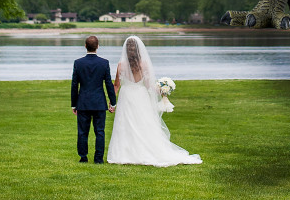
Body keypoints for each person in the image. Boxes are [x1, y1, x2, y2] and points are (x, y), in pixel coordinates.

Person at [107, 35, 202, 167]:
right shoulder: (144, 64)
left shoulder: (121, 65)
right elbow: (149, 86)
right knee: (142, 123)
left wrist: (112, 103)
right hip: (140, 95)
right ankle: (143, 151)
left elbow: (116, 85)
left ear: (126, 50)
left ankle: (125, 153)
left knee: (125, 123)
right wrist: (162, 89)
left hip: (126, 95)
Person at [71, 35, 116, 164]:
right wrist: (113, 102)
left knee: (82, 132)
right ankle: (98, 159)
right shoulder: (104, 63)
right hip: (99, 102)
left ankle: (83, 157)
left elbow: (75, 84)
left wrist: (74, 104)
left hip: (83, 102)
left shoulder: (78, 63)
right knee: (100, 132)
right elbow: (108, 84)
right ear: (98, 46)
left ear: (85, 46)